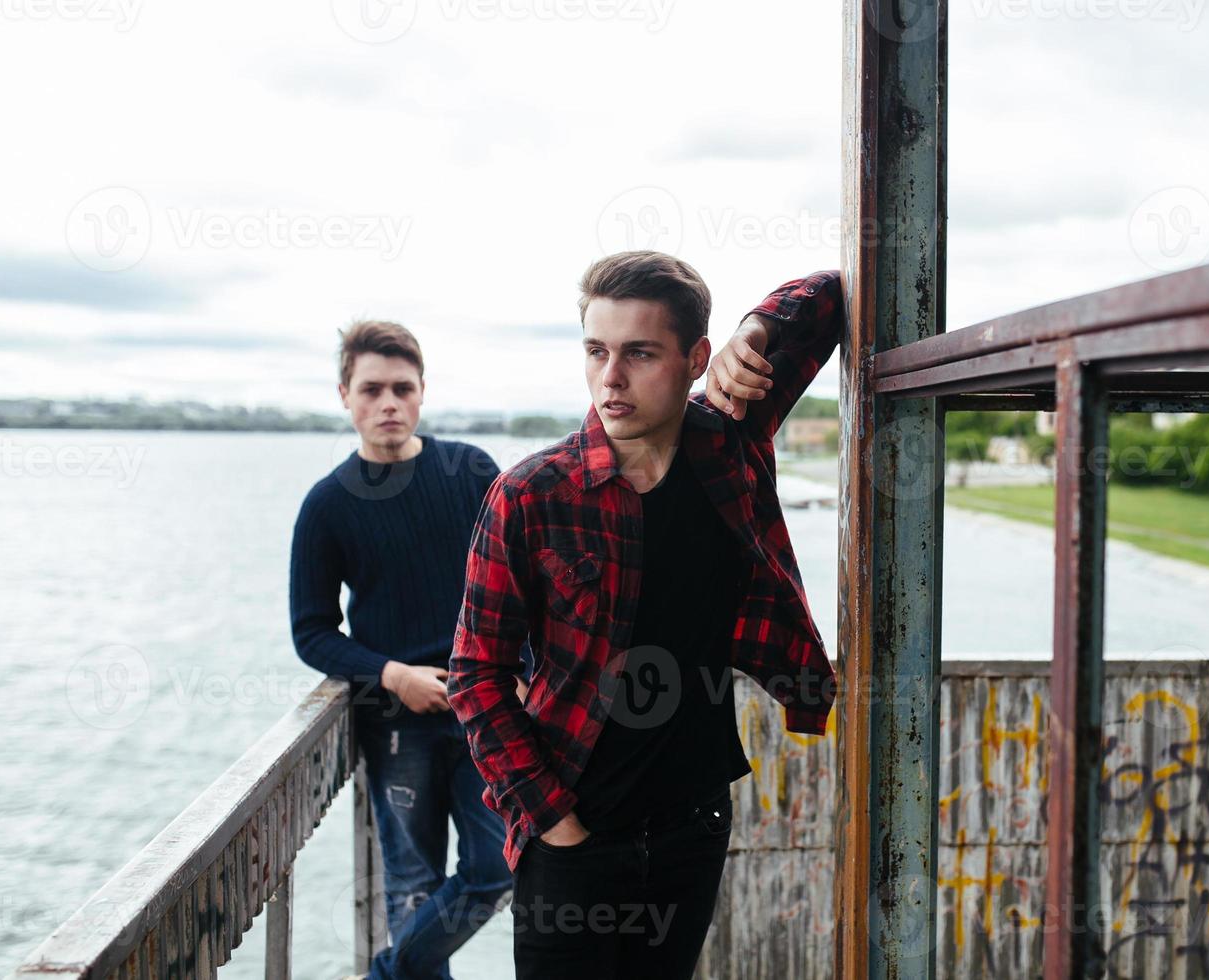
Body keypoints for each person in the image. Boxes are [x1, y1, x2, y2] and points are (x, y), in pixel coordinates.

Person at [447, 251, 842, 978]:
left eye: (640, 353)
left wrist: (755, 329)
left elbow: (831, 293)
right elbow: (475, 674)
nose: (611, 378)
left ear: (696, 359)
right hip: (575, 833)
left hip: (694, 824)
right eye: (596, 351)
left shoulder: (731, 442)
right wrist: (550, 819)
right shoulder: (531, 494)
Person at [289, 321, 525, 979]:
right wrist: (392, 675)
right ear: (346, 396)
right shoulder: (328, 505)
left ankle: (387, 974)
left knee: (493, 866)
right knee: (413, 887)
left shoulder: (470, 471)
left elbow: (525, 579)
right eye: (371, 390)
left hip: (484, 710)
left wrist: (526, 672)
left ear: (421, 394)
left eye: (401, 388)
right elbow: (311, 631)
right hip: (397, 728)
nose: (387, 403)